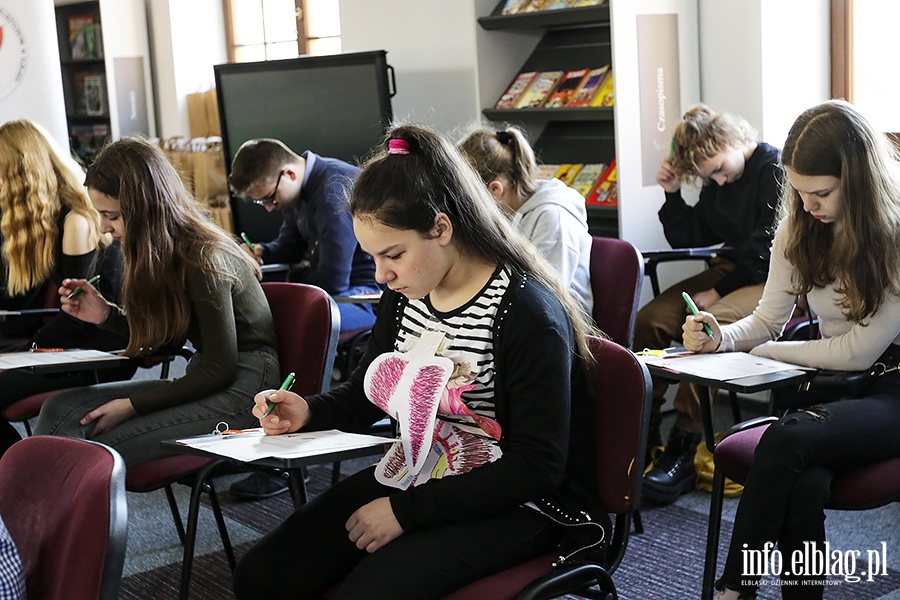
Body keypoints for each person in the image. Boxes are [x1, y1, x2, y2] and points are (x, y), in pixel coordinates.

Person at [231, 123, 605, 600]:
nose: (382, 274)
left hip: (523, 503)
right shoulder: (409, 292)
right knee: (261, 577)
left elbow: (536, 467)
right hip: (422, 474)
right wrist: (311, 411)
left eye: (393, 255)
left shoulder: (526, 312)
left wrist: (406, 513)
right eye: (373, 257)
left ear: (441, 227)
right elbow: (372, 386)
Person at [680, 100, 900, 599]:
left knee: (784, 440)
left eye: (820, 193)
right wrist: (721, 338)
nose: (806, 206)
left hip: (892, 388)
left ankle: (734, 588)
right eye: (798, 192)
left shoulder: (894, 235)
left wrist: (775, 353)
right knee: (801, 482)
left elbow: (860, 353)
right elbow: (766, 322)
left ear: (860, 183)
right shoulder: (800, 226)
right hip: (837, 387)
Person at [32, 136, 281, 466]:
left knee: (97, 453)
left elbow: (220, 368)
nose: (105, 228)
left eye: (112, 216)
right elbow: (170, 338)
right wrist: (105, 314)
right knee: (59, 408)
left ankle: (46, 510)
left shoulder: (204, 257)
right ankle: (39, 511)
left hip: (246, 388)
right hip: (210, 373)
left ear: (144, 208)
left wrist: (133, 404)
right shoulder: (164, 251)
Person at [636, 104, 783, 504]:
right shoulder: (718, 180)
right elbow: (692, 232)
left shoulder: (775, 167)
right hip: (730, 269)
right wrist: (671, 195)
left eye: (718, 168)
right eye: (709, 176)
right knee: (650, 320)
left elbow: (767, 249)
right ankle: (643, 430)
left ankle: (686, 443)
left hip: (774, 277)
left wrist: (718, 293)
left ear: (731, 140)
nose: (718, 179)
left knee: (706, 326)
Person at [0, 119, 133, 457]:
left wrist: (24, 351)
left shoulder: (77, 221)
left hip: (102, 348)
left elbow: (75, 318)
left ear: (19, 176)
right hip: (69, 344)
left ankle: (25, 472)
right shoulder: (41, 222)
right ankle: (23, 472)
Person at [228, 138, 380, 333]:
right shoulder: (297, 194)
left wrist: (293, 279)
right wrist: (261, 252)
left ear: (289, 174)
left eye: (269, 199)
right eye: (262, 202)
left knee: (291, 321)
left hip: (367, 295)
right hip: (339, 290)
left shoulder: (331, 192)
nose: (268, 208)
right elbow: (290, 246)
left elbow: (333, 280)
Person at [457, 126, 593, 313]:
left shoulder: (553, 219)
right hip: (514, 313)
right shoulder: (504, 212)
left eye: (465, 197)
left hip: (556, 323)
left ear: (494, 190)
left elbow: (543, 298)